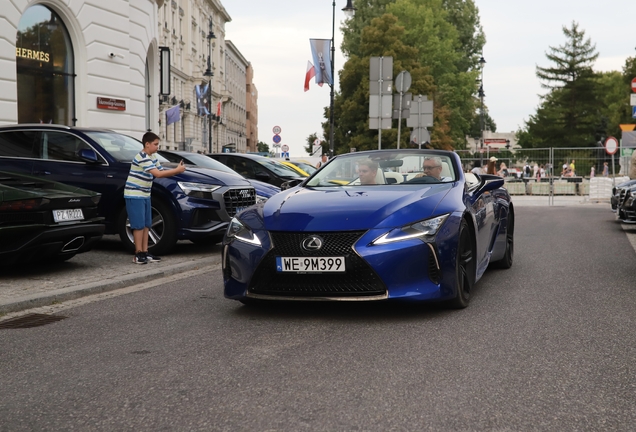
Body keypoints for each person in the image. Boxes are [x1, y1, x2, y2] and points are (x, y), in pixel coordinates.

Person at [124, 131, 186, 264]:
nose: (158, 147)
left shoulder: (152, 157)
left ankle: (145, 252)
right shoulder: (142, 157)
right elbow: (157, 174)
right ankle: (138, 254)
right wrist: (177, 170)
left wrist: (176, 168)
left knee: (146, 225)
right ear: (147, 144)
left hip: (145, 194)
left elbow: (161, 170)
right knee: (138, 225)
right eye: (155, 144)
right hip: (135, 194)